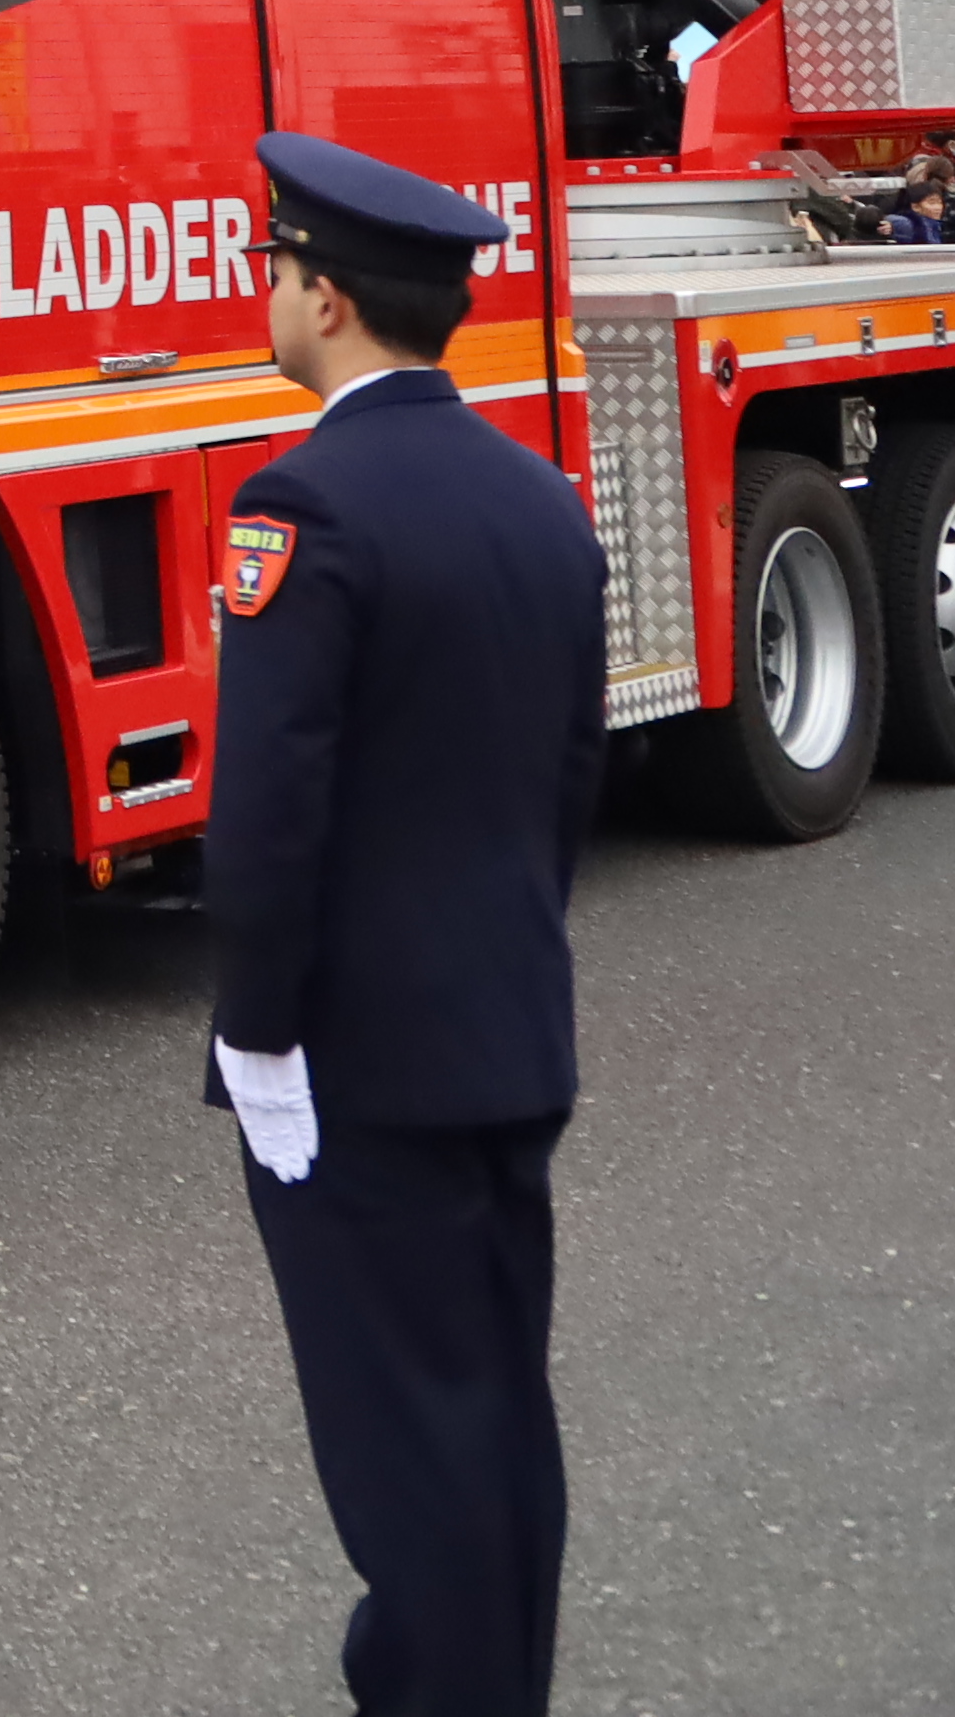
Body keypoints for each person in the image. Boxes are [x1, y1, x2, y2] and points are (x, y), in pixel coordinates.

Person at [205, 132, 599, 1717]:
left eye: (277, 268)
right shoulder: (537, 496)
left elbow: (269, 820)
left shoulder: (303, 503)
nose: (271, 292)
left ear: (328, 296)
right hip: (504, 1030)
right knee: (497, 1413)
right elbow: (564, 780)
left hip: (363, 1072)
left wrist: (258, 1039)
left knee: (400, 1448)